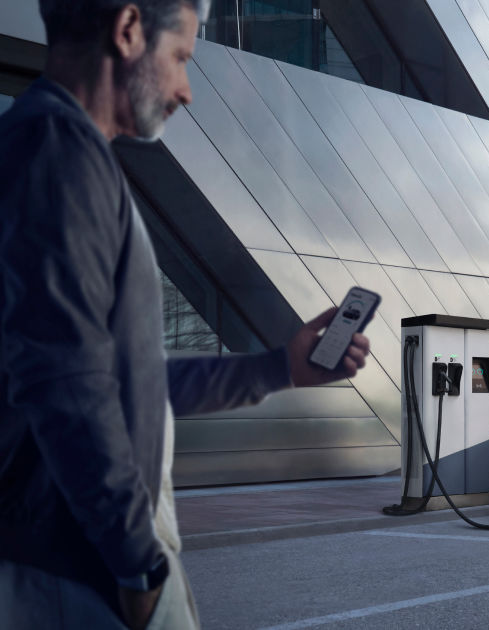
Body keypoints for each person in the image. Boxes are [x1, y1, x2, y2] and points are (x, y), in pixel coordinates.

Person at [0, 1, 372, 628]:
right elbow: (67, 387)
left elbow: (130, 386)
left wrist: (281, 368)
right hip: (82, 571)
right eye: (179, 58)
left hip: (80, 563)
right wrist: (136, 564)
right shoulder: (56, 152)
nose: (186, 90)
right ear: (127, 31)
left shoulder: (59, 153)